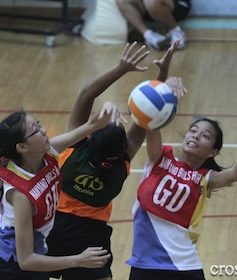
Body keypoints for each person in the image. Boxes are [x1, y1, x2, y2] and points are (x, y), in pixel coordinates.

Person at [46, 40, 185, 280]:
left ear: (88, 135)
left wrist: (120, 68)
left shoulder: (74, 146)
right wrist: (162, 73)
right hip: (93, 236)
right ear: (122, 147)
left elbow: (86, 93)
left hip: (53, 226)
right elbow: (150, 113)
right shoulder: (123, 160)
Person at [0, 102, 122, 279]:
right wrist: (78, 260)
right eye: (35, 130)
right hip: (13, 270)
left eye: (38, 124)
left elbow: (92, 125)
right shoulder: (20, 194)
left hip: (36, 260)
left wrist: (107, 108)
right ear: (22, 147)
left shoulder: (48, 154)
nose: (43, 130)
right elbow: (25, 260)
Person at [126, 100, 237, 279]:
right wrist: (160, 94)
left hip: (184, 266)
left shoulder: (204, 178)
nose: (196, 136)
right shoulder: (160, 158)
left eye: (205, 136)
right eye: (193, 131)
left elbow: (236, 174)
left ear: (212, 152)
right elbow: (152, 123)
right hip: (144, 264)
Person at [116, 0, 191, 51]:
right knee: (122, 1)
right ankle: (149, 36)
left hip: (178, 5)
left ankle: (176, 30)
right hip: (148, 7)